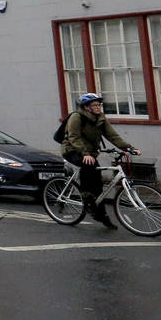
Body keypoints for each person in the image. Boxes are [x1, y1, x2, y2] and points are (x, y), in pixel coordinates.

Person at [61, 92, 140, 229]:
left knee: (98, 186)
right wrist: (84, 153)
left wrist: (129, 148)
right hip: (72, 150)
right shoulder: (76, 117)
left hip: (90, 153)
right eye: (95, 105)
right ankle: (86, 196)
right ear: (86, 107)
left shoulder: (101, 118)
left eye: (99, 105)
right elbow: (74, 137)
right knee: (88, 166)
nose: (98, 107)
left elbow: (113, 136)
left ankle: (101, 215)